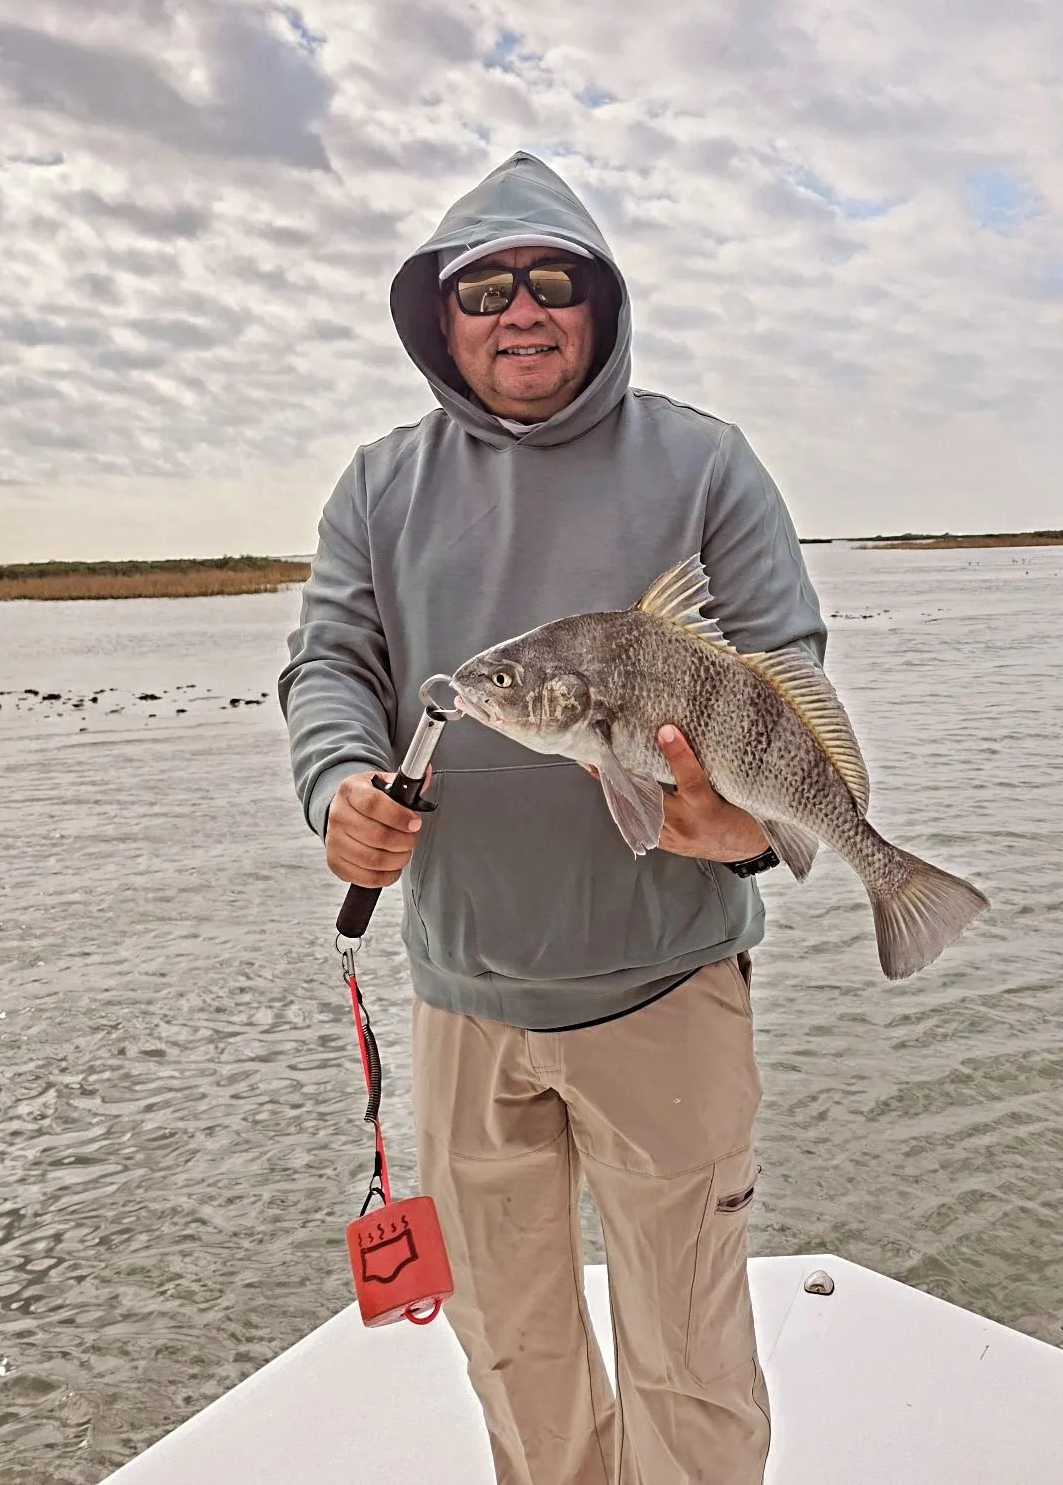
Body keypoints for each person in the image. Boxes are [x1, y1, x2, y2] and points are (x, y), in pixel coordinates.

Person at [279, 151, 826, 1485]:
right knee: (514, 1348)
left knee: (685, 1353)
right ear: (440, 319)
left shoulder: (705, 465)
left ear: (599, 304)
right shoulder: (377, 486)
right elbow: (330, 662)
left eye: (550, 282)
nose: (518, 312)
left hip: (667, 993)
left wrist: (743, 830)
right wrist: (338, 783)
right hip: (462, 1003)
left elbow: (787, 675)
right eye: (484, 290)